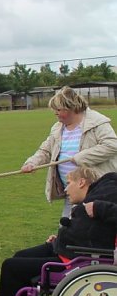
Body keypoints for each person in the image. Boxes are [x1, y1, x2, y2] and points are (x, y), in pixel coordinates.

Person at [0, 167, 117, 296]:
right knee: (20, 256)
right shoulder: (100, 194)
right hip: (69, 250)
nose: (65, 189)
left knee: (11, 266)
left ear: (81, 182)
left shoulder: (105, 194)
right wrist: (60, 239)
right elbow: (89, 232)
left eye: (69, 183)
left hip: (76, 260)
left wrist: (100, 209)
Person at [21, 86, 117, 217]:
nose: (55, 113)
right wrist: (32, 162)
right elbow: (45, 150)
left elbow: (112, 145)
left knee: (90, 232)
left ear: (71, 107)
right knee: (67, 231)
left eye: (59, 110)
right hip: (72, 191)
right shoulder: (57, 128)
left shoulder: (97, 123)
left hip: (97, 191)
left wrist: (81, 157)